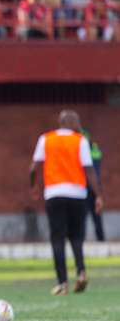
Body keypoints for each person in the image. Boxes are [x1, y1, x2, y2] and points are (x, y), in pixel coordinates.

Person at [30, 110, 103, 296]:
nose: (79, 124)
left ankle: (62, 283)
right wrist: (99, 195)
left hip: (54, 193)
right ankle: (81, 272)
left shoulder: (45, 139)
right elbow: (89, 170)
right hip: (77, 194)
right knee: (77, 238)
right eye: (77, 121)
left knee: (57, 238)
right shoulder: (80, 140)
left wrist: (33, 186)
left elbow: (33, 168)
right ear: (72, 122)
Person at [81, 129, 105, 241]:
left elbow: (91, 166)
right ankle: (80, 240)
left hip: (90, 187)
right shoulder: (93, 148)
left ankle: (100, 239)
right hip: (85, 187)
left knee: (95, 215)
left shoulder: (91, 149)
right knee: (83, 216)